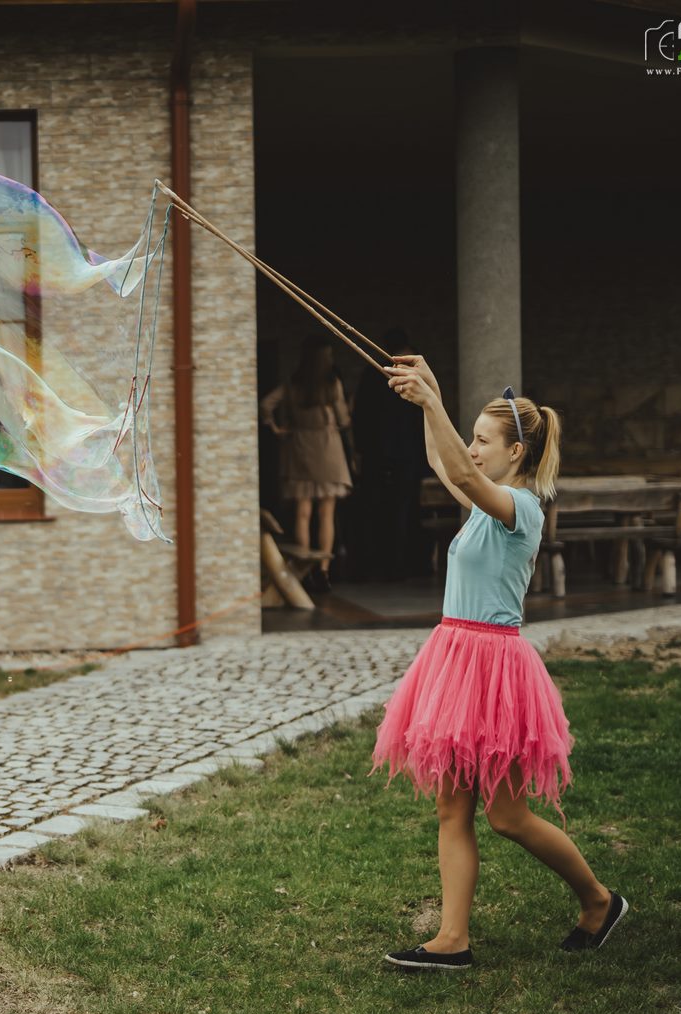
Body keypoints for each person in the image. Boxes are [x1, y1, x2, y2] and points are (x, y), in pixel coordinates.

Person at [370, 356, 627, 970]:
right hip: (455, 659)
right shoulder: (484, 500)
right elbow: (445, 462)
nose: (472, 448)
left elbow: (457, 466)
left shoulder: (522, 509)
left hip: (495, 671)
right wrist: (428, 396)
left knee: (508, 815)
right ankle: (451, 940)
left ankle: (599, 901)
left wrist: (433, 403)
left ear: (516, 452)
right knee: (451, 807)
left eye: (483, 440)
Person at [259, 334, 354, 592]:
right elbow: (344, 418)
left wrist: (277, 428)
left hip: (299, 447)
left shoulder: (292, 383)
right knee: (327, 514)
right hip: (328, 448)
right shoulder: (332, 383)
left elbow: (266, 404)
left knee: (303, 513)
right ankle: (323, 571)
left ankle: (306, 570)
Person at [348, 329, 432, 580]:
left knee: (382, 508)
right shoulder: (408, 377)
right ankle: (399, 563)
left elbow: (360, 416)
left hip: (381, 452)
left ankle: (381, 563)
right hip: (403, 453)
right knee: (400, 509)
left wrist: (362, 451)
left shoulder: (375, 374)